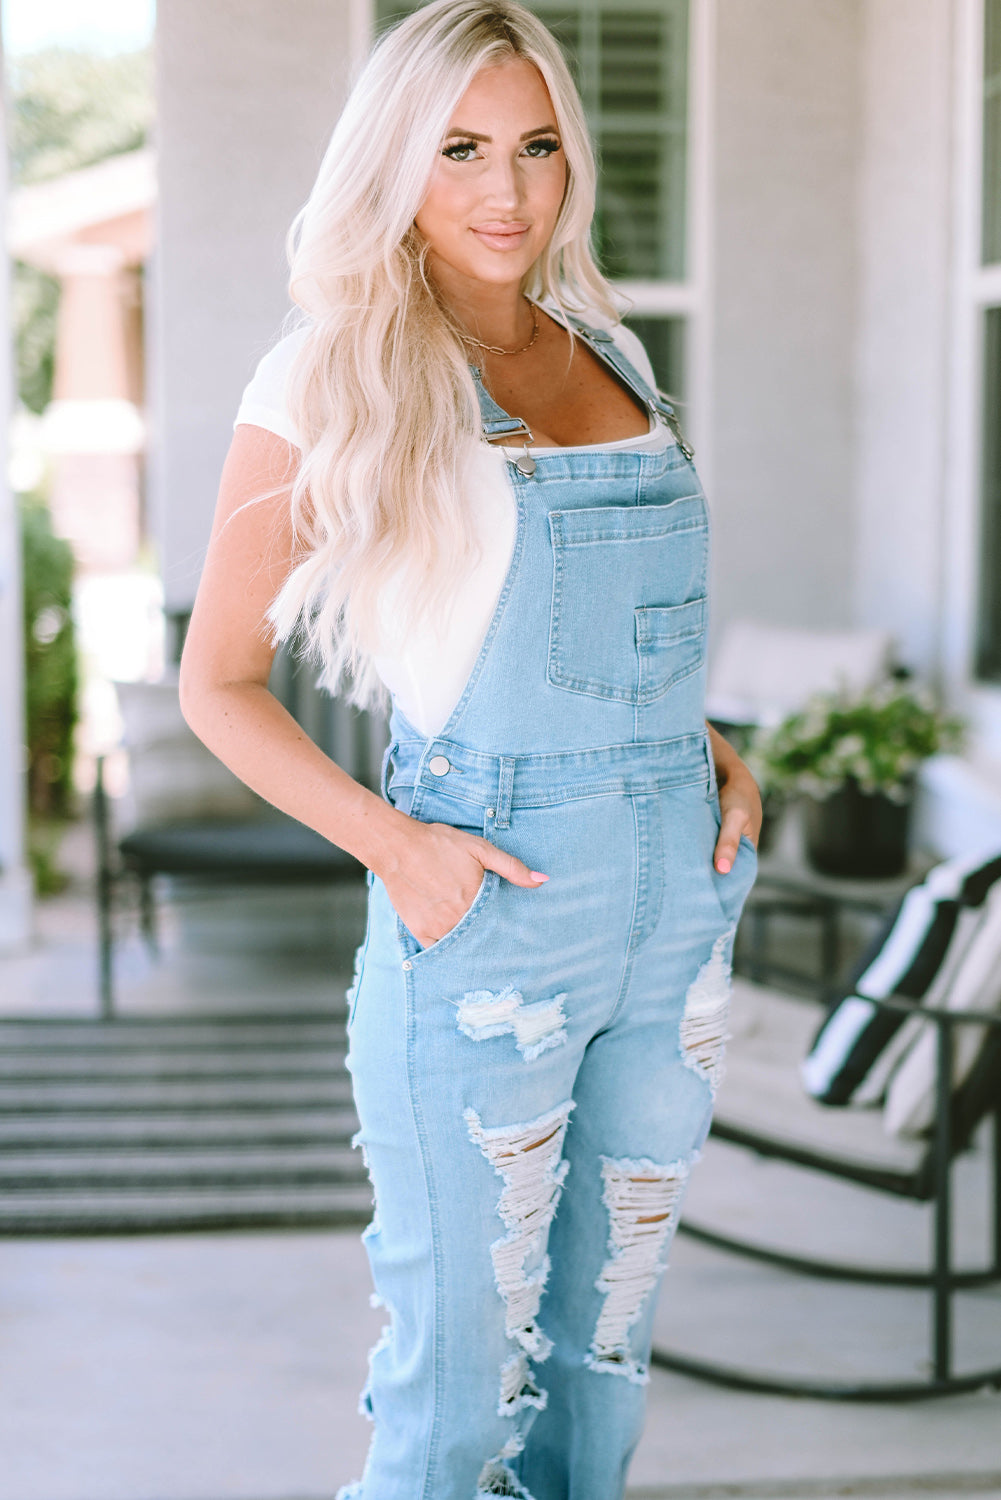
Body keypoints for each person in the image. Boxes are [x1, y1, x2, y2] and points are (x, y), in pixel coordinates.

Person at [179, 2, 762, 1495]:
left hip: (673, 903)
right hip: (488, 903)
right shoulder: (332, 375)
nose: (504, 192)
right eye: (457, 151)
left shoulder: (610, 349)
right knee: (450, 1393)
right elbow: (220, 681)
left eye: (534, 147)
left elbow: (622, 631)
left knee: (601, 1362)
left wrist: (697, 743)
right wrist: (398, 848)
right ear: (393, 163)